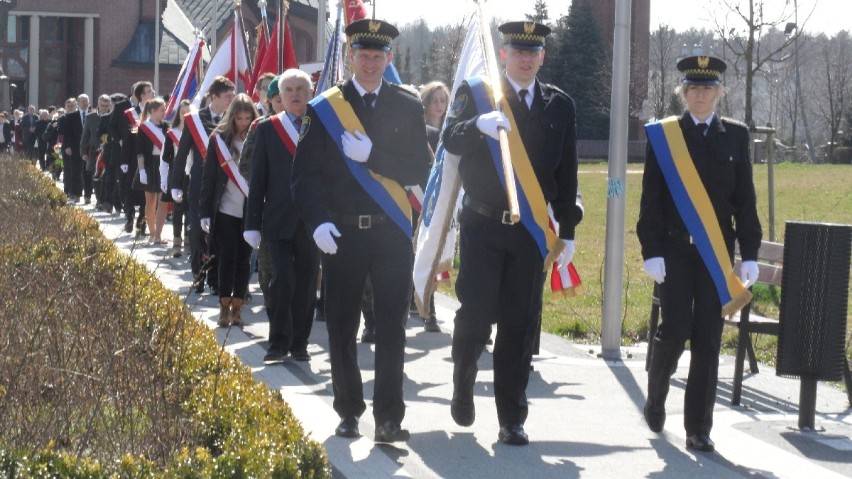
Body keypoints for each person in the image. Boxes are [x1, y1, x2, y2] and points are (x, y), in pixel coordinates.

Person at [291, 18, 432, 443]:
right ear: (350, 56)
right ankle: (349, 409)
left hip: (391, 233)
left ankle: (389, 417)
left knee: (391, 326)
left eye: (378, 55)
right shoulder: (324, 108)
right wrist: (318, 223)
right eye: (363, 54)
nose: (370, 62)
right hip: (343, 234)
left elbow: (420, 168)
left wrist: (375, 157)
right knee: (341, 324)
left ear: (388, 58)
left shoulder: (408, 106)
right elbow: (304, 178)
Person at [442, 21, 581, 446]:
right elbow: (449, 138)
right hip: (483, 224)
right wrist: (477, 125)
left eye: (533, 52)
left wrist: (568, 232)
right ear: (503, 54)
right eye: (517, 51)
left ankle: (511, 417)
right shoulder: (479, 93)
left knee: (520, 325)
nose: (525, 58)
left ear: (543, 57)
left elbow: (567, 174)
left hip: (530, 233)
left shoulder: (560, 106)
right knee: (477, 316)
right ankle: (463, 383)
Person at [638, 55, 762, 452]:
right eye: (694, 88)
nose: (702, 94)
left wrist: (752, 252)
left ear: (719, 93)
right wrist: (650, 250)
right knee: (674, 334)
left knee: (708, 340)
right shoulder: (666, 136)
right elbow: (651, 201)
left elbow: (745, 202)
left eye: (709, 88)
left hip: (716, 253)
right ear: (684, 93)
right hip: (674, 250)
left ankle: (698, 428)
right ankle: (656, 398)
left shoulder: (736, 137)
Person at [244, 69, 320, 364]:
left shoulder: (320, 126)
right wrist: (252, 223)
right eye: (288, 89)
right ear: (279, 95)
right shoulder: (266, 129)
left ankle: (300, 343)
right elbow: (257, 178)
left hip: (312, 221)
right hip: (277, 220)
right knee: (282, 281)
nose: (295, 94)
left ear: (310, 92)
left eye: (301, 88)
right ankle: (277, 343)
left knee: (305, 284)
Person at [170, 76, 235, 295]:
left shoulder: (232, 119)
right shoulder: (195, 120)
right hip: (198, 182)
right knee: (198, 232)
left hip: (223, 182)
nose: (231, 100)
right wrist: (176, 184)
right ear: (213, 97)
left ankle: (216, 280)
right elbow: (182, 154)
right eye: (227, 96)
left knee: (219, 232)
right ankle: (199, 275)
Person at [199, 93, 258, 328]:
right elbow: (209, 178)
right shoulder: (219, 140)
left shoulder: (259, 136)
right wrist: (204, 212)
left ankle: (238, 307)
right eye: (240, 118)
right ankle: (224, 307)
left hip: (249, 207)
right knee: (227, 257)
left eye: (247, 118)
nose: (244, 123)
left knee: (244, 260)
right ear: (232, 117)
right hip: (225, 208)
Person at [416, 80, 451, 332]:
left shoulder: (450, 131)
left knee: (435, 250)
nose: (439, 105)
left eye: (443, 101)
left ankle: (429, 308)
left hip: (443, 198)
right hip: (418, 196)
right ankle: (416, 298)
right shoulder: (417, 131)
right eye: (434, 100)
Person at [112, 81, 155, 236]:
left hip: (150, 157)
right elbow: (127, 138)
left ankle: (141, 223)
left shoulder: (155, 111)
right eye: (150, 91)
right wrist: (124, 160)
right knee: (130, 189)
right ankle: (129, 216)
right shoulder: (130, 113)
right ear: (142, 95)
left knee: (146, 191)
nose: (153, 92)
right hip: (132, 157)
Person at [135, 97, 171, 245]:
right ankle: (151, 232)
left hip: (163, 165)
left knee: (163, 201)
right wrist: (142, 170)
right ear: (152, 111)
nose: (164, 112)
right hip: (149, 165)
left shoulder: (166, 127)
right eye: (162, 110)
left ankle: (158, 235)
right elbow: (140, 151)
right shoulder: (144, 128)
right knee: (150, 201)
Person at [162, 99, 192, 257]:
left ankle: (188, 241)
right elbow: (166, 157)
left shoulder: (196, 132)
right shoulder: (172, 133)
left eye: (189, 113)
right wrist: (164, 178)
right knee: (178, 208)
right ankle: (176, 241)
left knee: (189, 207)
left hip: (191, 174)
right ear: (178, 114)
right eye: (183, 112)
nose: (185, 115)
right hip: (177, 174)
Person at [82, 94, 111, 210]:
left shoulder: (112, 116)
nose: (104, 108)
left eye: (106, 106)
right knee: (96, 175)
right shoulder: (90, 117)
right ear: (98, 105)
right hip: (94, 151)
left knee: (108, 176)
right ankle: (99, 200)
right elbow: (85, 136)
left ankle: (105, 200)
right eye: (102, 105)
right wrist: (83, 151)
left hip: (109, 150)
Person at [57, 98, 85, 204]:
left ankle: (77, 192)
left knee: (78, 170)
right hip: (67, 147)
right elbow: (62, 132)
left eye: (72, 106)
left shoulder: (80, 116)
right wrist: (67, 146)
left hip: (78, 147)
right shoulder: (63, 118)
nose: (70, 108)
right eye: (68, 106)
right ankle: (68, 191)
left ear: (76, 106)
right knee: (68, 170)